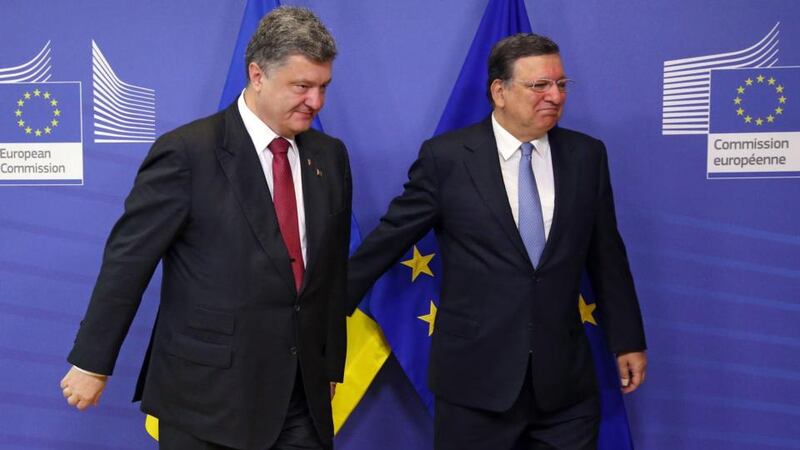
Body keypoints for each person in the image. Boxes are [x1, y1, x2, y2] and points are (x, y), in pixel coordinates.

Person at [59, 7, 351, 450]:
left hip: (301, 398)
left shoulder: (328, 157)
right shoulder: (186, 153)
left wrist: (328, 366)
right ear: (257, 75)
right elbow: (128, 263)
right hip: (208, 400)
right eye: (302, 87)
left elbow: (330, 274)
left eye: (323, 87)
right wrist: (91, 363)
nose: (316, 102)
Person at [347, 33, 646, 450]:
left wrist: (627, 337)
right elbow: (387, 240)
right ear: (499, 91)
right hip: (475, 386)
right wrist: (323, 313)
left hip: (565, 387)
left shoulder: (586, 156)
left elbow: (606, 255)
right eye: (539, 85)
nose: (555, 96)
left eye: (561, 84)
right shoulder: (447, 158)